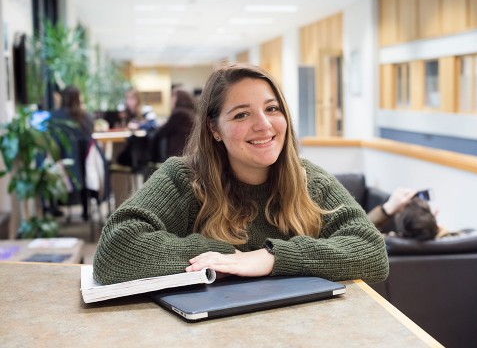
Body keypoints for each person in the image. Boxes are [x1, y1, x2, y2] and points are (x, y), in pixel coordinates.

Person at [93, 63, 389, 285]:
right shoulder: (183, 177)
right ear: (214, 129)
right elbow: (114, 250)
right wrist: (226, 257)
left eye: (272, 109)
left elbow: (371, 250)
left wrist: (272, 257)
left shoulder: (310, 180)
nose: (264, 125)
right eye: (241, 114)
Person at [50, 85, 95, 219]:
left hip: (61, 163)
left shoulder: (55, 116)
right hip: (85, 165)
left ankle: (53, 207)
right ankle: (86, 211)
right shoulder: (86, 117)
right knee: (84, 167)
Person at [151, 88, 196, 161]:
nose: (171, 101)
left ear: (179, 99)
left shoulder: (179, 113)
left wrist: (161, 125)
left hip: (178, 151)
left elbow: (162, 131)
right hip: (188, 150)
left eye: (172, 98)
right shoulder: (191, 112)